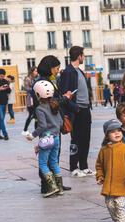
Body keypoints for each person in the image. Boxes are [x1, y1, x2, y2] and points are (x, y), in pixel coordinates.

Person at [33, 55, 75, 194]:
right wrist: (65, 98)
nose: (58, 70)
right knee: (47, 158)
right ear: (50, 68)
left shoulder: (49, 80)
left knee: (53, 157)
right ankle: (47, 186)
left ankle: (56, 185)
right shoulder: (43, 83)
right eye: (57, 68)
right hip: (48, 125)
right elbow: (50, 104)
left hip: (52, 125)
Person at [95, 119, 125, 222]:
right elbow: (99, 165)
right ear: (107, 135)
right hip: (108, 186)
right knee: (110, 205)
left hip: (122, 184)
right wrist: (100, 176)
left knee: (120, 205)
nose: (117, 133)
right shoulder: (104, 150)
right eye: (113, 131)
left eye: (119, 130)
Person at [60, 46, 95, 178]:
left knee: (86, 139)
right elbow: (64, 94)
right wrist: (75, 108)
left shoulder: (79, 71)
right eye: (83, 55)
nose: (84, 57)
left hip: (85, 110)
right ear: (79, 56)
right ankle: (74, 167)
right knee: (76, 139)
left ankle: (84, 166)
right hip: (77, 111)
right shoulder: (68, 72)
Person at [26, 81, 64, 198]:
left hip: (47, 139)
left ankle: (52, 187)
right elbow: (61, 122)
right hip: (56, 137)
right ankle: (60, 188)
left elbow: (42, 126)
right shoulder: (55, 104)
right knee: (54, 162)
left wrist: (32, 135)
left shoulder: (40, 109)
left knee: (43, 163)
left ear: (38, 95)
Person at [22, 67, 38, 134]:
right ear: (31, 72)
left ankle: (36, 130)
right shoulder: (27, 78)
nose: (36, 73)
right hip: (30, 99)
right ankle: (25, 130)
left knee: (36, 115)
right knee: (31, 115)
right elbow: (26, 88)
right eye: (35, 71)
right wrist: (34, 89)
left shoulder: (34, 79)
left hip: (35, 99)